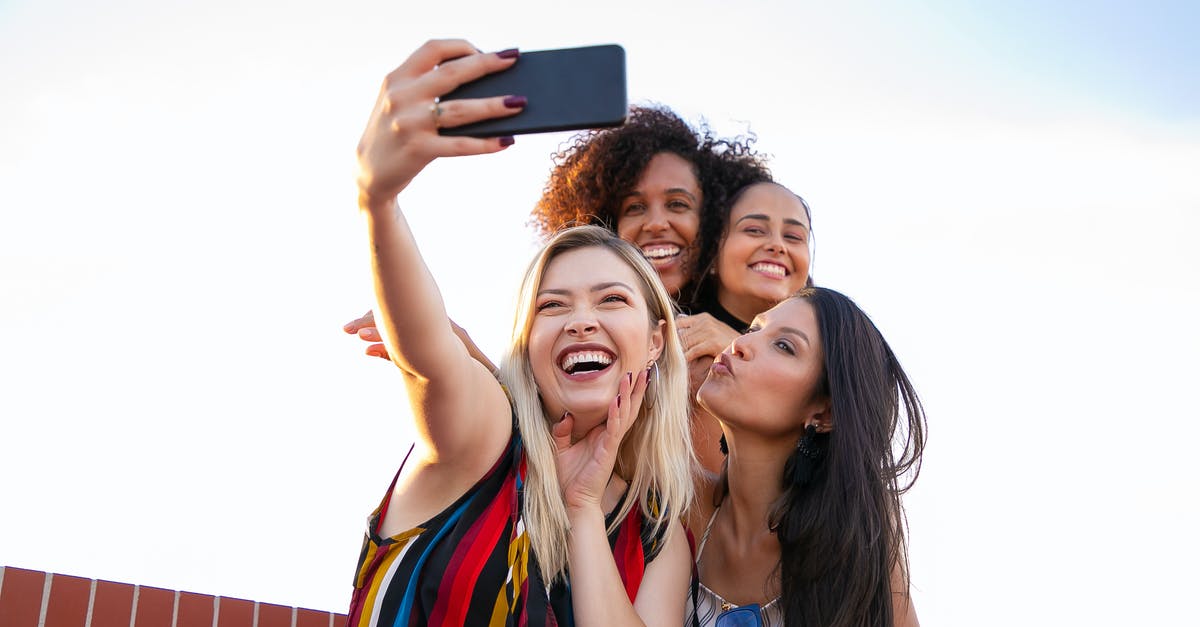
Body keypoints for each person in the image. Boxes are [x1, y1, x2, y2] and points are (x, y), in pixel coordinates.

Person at [346, 40, 695, 626]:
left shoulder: (657, 531)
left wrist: (582, 507)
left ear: (656, 340)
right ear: (528, 343)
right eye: (552, 307)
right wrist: (378, 199)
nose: (582, 320)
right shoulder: (484, 440)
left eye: (611, 299)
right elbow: (430, 353)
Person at [688, 287, 926, 626]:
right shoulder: (682, 506)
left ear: (824, 413)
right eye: (754, 329)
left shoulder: (854, 536)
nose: (740, 344)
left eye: (784, 346)